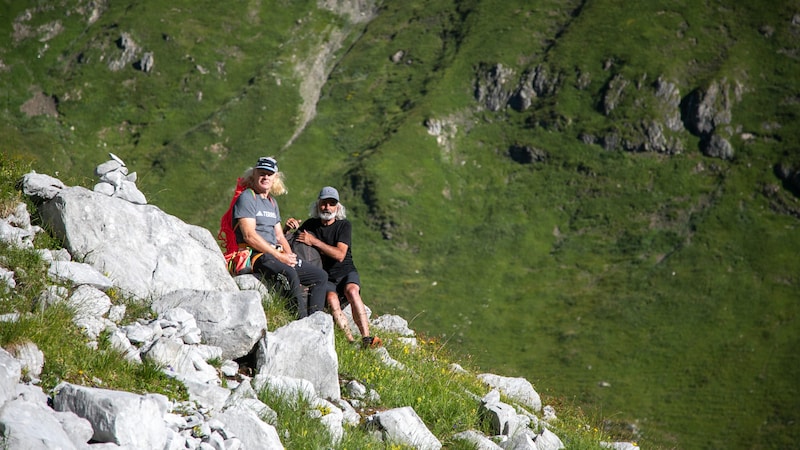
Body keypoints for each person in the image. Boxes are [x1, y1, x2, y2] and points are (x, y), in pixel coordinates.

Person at [285, 186, 382, 349]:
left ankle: (366, 337)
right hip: (326, 276)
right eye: (324, 203)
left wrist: (314, 241)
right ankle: (351, 342)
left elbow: (340, 255)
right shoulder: (311, 225)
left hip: (346, 272)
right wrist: (287, 228)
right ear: (318, 205)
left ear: (338, 207)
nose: (327, 207)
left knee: (352, 291)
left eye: (332, 203)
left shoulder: (343, 226)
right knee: (331, 299)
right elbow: (289, 241)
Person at [233, 157, 328, 318]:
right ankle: (300, 320)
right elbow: (249, 236)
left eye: (269, 174)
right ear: (254, 174)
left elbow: (279, 235)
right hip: (257, 255)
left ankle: (315, 320)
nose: (265, 177)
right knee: (290, 275)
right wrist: (279, 256)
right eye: (261, 173)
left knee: (320, 276)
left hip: (276, 254)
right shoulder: (247, 198)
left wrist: (289, 256)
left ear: (275, 178)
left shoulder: (272, 202)